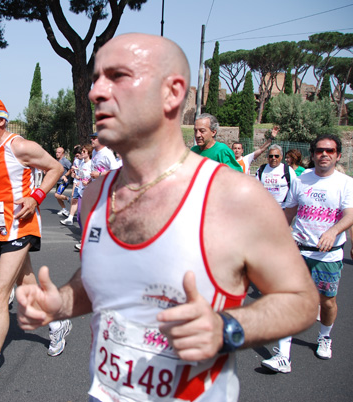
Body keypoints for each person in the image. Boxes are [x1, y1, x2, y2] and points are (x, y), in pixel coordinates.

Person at [16, 33, 317, 401]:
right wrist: (60, 303)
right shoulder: (95, 194)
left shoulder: (235, 198)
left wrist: (227, 328)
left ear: (172, 93)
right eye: (96, 79)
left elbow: (301, 300)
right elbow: (108, 282)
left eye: (118, 76)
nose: (95, 92)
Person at [0, 95, 72, 388]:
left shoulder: (18, 146)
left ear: (1, 120)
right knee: (27, 285)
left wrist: (36, 197)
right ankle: (58, 324)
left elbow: (56, 169)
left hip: (21, 226)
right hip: (0, 229)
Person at [261, 134, 353, 373]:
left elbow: (350, 215)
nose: (324, 154)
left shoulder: (345, 183)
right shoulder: (301, 180)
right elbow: (290, 210)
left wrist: (333, 232)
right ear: (312, 155)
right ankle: (283, 357)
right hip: (298, 250)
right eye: (320, 150)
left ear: (338, 155)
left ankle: (325, 336)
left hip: (328, 256)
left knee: (327, 302)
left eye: (330, 151)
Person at [255, 144, 296, 209]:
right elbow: (256, 188)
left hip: (282, 208)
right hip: (264, 207)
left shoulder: (288, 170)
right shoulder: (261, 170)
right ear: (268, 157)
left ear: (281, 157)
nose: (273, 158)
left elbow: (294, 189)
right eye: (271, 156)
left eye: (276, 156)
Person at [61, 145, 92, 226]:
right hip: (80, 188)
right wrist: (76, 177)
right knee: (79, 213)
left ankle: (87, 232)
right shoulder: (82, 163)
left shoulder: (91, 164)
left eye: (84, 152)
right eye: (82, 151)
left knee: (85, 213)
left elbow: (94, 176)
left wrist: (88, 182)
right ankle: (71, 219)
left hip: (88, 191)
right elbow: (81, 176)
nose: (82, 153)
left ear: (88, 153)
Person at [54, 147, 73, 217]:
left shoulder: (65, 161)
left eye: (59, 152)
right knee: (58, 196)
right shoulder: (56, 161)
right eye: (56, 152)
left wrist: (65, 175)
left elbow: (71, 169)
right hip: (58, 181)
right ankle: (64, 209)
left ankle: (69, 199)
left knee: (57, 194)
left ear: (63, 153)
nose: (57, 154)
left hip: (64, 181)